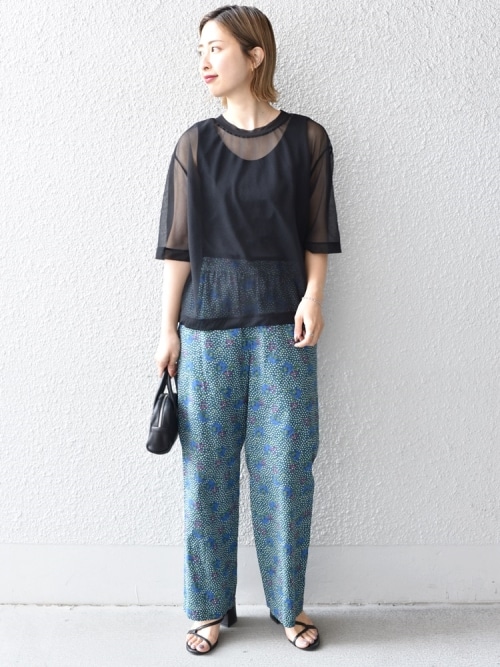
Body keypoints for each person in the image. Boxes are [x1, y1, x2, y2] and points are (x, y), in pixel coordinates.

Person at [154, 4, 341, 655]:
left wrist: (314, 296)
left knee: (286, 469)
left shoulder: (309, 140)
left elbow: (317, 233)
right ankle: (207, 608)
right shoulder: (194, 145)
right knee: (206, 475)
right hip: (205, 332)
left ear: (255, 54)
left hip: (283, 331)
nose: (205, 61)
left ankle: (288, 605)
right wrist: (166, 330)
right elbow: (177, 248)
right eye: (200, 50)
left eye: (216, 48)